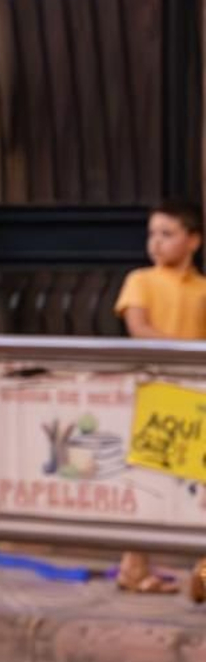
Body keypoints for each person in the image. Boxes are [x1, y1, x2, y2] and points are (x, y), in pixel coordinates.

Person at [113, 199, 206, 602]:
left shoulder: (202, 288)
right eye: (152, 233)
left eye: (167, 234)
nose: (156, 242)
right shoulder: (141, 280)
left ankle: (201, 575)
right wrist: (189, 348)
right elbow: (139, 327)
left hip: (194, 392)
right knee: (149, 480)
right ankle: (133, 568)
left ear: (193, 241)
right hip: (155, 392)